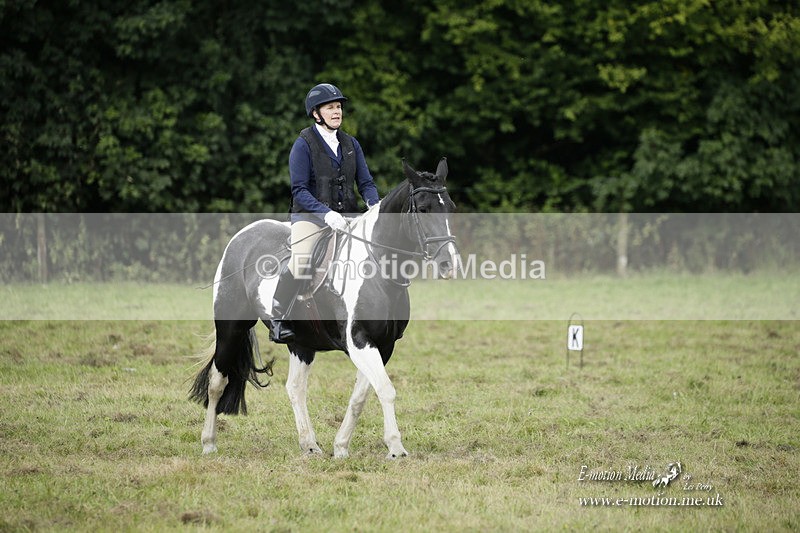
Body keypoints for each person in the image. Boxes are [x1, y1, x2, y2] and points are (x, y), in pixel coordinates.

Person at [269, 83, 380, 343]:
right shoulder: (303, 145)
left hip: (349, 218)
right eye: (330, 107)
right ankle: (278, 318)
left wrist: (374, 205)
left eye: (339, 107)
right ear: (316, 113)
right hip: (310, 218)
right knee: (301, 260)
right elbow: (299, 190)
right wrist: (326, 214)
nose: (337, 111)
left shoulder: (351, 144)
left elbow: (366, 183)